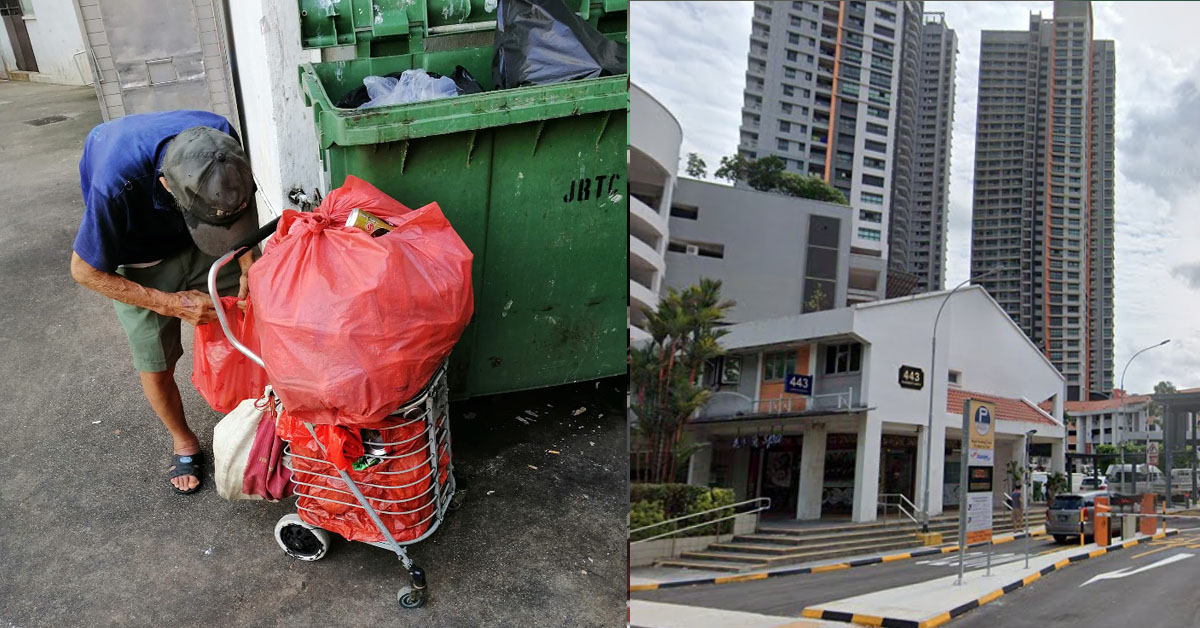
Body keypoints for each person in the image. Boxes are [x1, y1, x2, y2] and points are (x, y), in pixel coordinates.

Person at [70, 111, 259, 494]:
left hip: (203, 236)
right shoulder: (115, 184)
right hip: (141, 257)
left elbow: (239, 203)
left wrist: (247, 265)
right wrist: (170, 304)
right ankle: (183, 439)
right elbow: (84, 271)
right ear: (165, 186)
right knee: (155, 362)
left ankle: (264, 420)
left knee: (256, 315)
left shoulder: (220, 138)